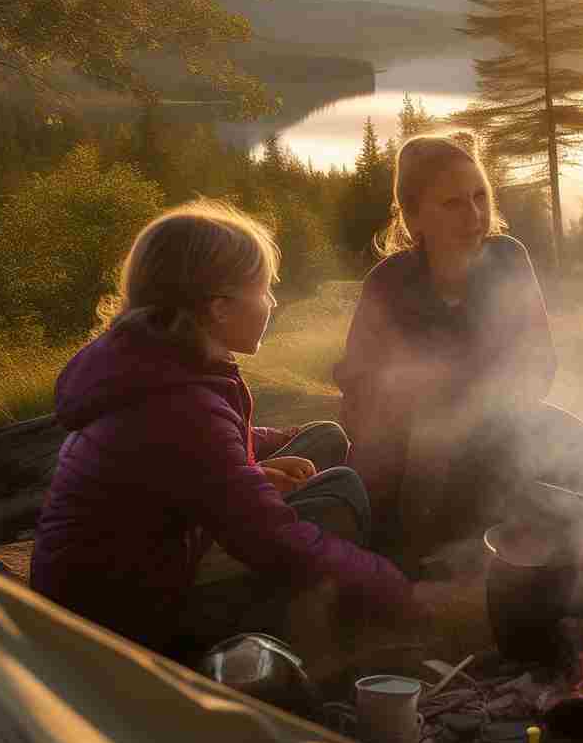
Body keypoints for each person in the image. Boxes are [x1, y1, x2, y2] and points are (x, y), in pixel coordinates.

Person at [32, 200, 443, 658]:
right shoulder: (181, 409)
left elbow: (208, 451)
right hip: (125, 620)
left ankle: (353, 570)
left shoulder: (159, 364)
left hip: (146, 564)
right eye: (265, 290)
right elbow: (271, 539)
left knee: (323, 436)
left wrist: (273, 446)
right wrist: (397, 589)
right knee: (340, 494)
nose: (272, 302)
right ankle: (314, 639)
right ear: (221, 308)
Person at [335, 132, 583, 559]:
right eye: (452, 204)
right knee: (476, 498)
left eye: (480, 197)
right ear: (414, 218)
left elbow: (539, 363)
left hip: (506, 425)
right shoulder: (388, 283)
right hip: (413, 452)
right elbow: (358, 388)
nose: (473, 215)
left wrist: (492, 412)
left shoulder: (508, 259)